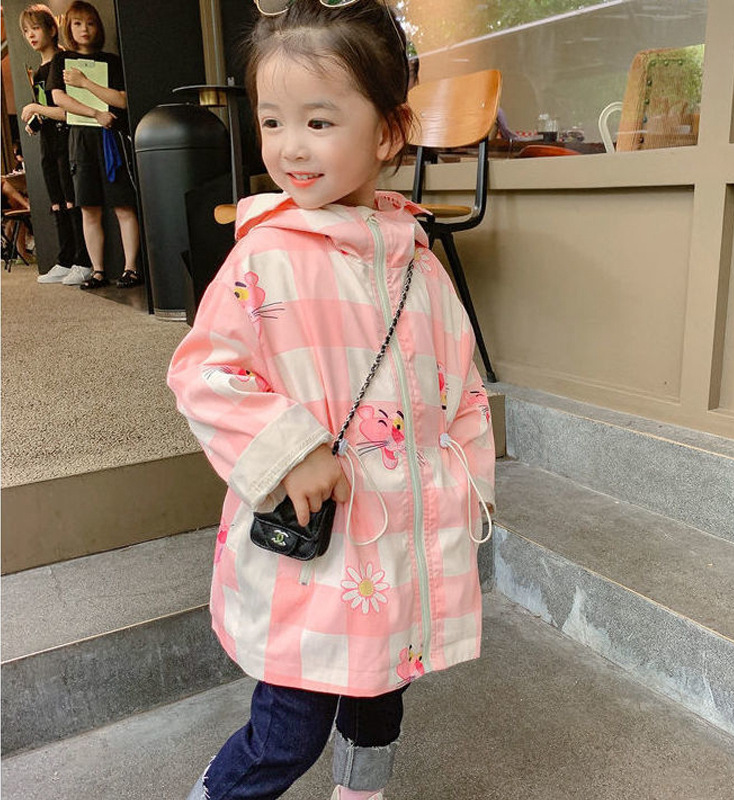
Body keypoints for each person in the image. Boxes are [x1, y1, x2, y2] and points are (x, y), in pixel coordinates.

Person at [166, 1, 496, 799]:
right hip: (318, 559)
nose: (290, 146)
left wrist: (461, 496)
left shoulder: (420, 265)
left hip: (396, 546)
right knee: (288, 731)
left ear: (388, 132)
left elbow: (463, 395)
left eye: (318, 122)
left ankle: (361, 793)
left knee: (380, 702)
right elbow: (205, 372)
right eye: (272, 121)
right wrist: (293, 449)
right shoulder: (266, 259)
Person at [47, 0, 141, 290]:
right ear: (68, 27)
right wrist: (95, 113)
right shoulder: (61, 61)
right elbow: (59, 100)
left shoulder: (112, 61)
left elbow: (122, 101)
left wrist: (86, 82)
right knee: (89, 208)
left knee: (124, 205)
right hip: (80, 140)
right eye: (77, 23)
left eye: (90, 23)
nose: (84, 29)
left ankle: (131, 268)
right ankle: (97, 271)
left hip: (111, 139)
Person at [19, 4, 92, 285]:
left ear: (52, 29)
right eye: (26, 31)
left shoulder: (63, 63)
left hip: (68, 141)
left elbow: (68, 110)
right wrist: (35, 119)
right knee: (57, 203)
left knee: (72, 201)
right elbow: (46, 108)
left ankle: (83, 260)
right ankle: (65, 258)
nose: (31, 35)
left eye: (35, 28)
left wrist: (36, 109)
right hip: (48, 143)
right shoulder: (39, 70)